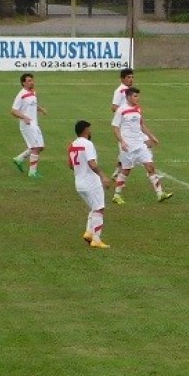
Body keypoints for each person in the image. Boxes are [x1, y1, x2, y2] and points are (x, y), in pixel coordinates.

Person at [111, 87, 173, 204]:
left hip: (140, 144)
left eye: (138, 96)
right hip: (128, 145)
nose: (137, 98)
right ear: (128, 97)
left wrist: (151, 136)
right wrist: (122, 141)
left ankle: (160, 193)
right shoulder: (121, 110)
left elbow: (141, 125)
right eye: (135, 96)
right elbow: (115, 127)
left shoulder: (138, 109)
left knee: (150, 166)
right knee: (126, 170)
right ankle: (117, 195)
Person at [69, 120, 111, 249]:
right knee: (99, 208)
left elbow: (70, 165)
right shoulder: (88, 144)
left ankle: (88, 233)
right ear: (85, 130)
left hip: (79, 183)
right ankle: (96, 239)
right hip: (91, 182)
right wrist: (103, 176)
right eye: (89, 129)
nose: (91, 131)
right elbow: (91, 163)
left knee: (94, 207)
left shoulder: (72, 145)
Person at [10, 73, 47, 178]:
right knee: (37, 146)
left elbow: (33, 105)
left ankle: (19, 159)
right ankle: (32, 172)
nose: (32, 82)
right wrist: (24, 117)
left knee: (40, 147)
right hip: (27, 124)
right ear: (23, 83)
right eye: (29, 81)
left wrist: (41, 109)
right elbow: (13, 110)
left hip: (34, 123)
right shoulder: (21, 94)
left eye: (32, 80)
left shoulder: (33, 92)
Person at [110, 68, 137, 179]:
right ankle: (149, 170)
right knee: (126, 148)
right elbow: (114, 107)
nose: (131, 79)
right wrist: (125, 114)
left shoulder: (130, 91)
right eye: (128, 77)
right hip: (123, 125)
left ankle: (118, 171)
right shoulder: (120, 91)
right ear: (122, 79)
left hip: (132, 124)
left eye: (132, 77)